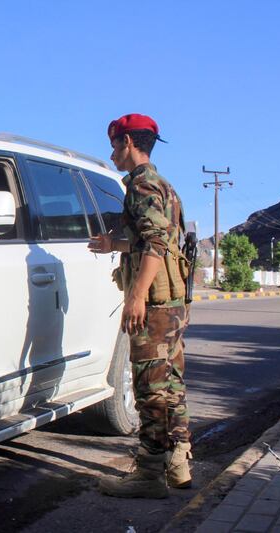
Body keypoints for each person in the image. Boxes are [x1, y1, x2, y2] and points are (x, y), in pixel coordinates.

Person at [88, 113, 192, 499]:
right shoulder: (162, 185)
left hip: (156, 304)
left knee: (149, 389)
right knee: (170, 385)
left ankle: (149, 475)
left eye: (114, 144)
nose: (112, 152)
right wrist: (112, 246)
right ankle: (179, 462)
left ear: (128, 142)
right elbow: (155, 238)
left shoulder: (142, 185)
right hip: (173, 302)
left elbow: (156, 244)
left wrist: (135, 296)